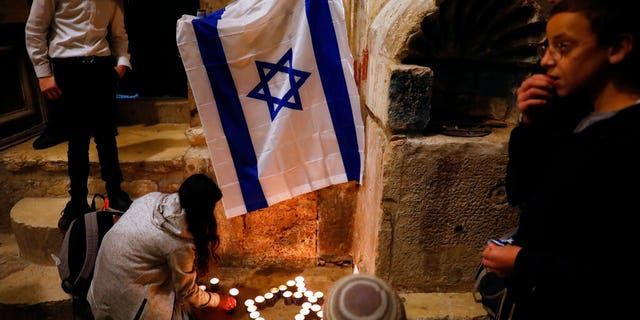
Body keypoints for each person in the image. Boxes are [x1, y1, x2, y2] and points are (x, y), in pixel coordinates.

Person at [482, 0, 640, 319]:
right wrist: (530, 124)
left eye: (563, 47)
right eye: (547, 46)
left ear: (617, 48)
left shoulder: (627, 140)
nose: (547, 61)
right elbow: (522, 192)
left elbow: (616, 269)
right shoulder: (574, 113)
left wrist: (522, 262)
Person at [25, 0, 133, 230]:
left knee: (106, 135)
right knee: (77, 138)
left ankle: (115, 192)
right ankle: (77, 200)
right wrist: (43, 73)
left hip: (102, 67)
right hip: (68, 67)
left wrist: (122, 63)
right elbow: (35, 29)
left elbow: (118, 33)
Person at [87, 173, 237, 319]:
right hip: (124, 304)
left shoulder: (151, 199)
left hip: (99, 288)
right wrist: (219, 300)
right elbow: (187, 292)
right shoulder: (179, 243)